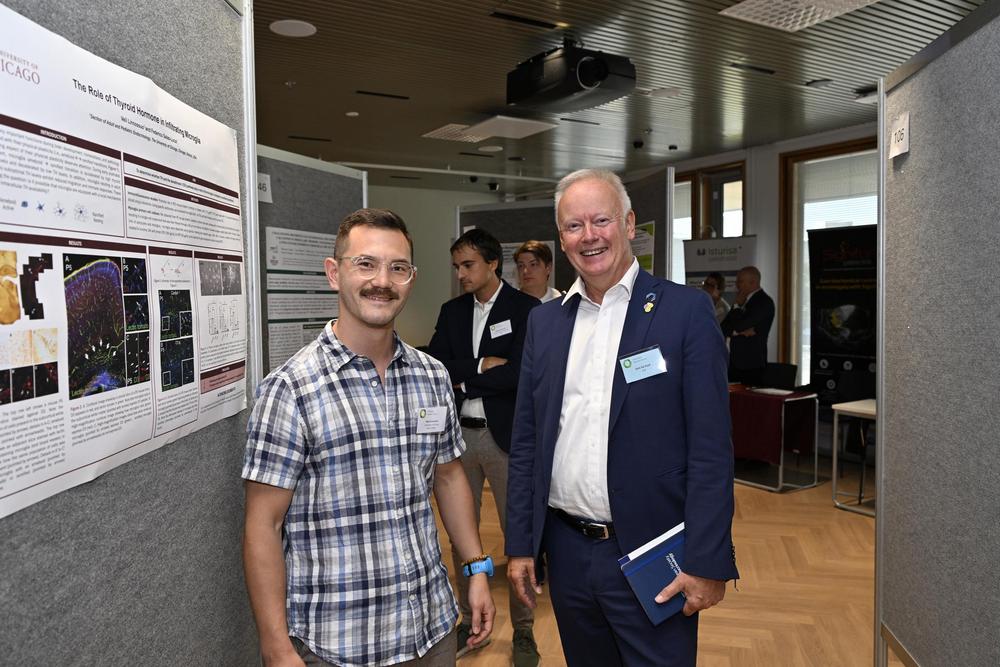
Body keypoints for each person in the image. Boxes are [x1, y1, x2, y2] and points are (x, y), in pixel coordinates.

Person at [505, 169, 738, 667]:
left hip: (654, 553)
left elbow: (711, 449)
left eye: (601, 220)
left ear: (629, 224)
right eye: (574, 226)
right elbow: (527, 442)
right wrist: (521, 545)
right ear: (561, 239)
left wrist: (707, 560)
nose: (589, 236)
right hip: (567, 552)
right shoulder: (544, 323)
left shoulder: (684, 312)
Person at [242, 208, 495, 667]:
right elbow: (264, 525)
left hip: (432, 628)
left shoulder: (431, 376)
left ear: (411, 279)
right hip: (340, 643)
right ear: (333, 273)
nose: (382, 281)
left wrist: (476, 568)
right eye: (366, 264)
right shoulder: (290, 389)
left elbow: (449, 476)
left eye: (398, 267)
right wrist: (276, 647)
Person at [427, 228, 541, 666]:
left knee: (519, 536)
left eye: (468, 265)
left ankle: (524, 630)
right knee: (462, 535)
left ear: (493, 263)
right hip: (458, 436)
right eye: (457, 266)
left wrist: (465, 379)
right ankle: (468, 617)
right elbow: (437, 365)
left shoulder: (525, 310)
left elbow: (519, 374)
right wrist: (480, 365)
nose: (460, 274)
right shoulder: (452, 311)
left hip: (506, 437)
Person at [720, 265, 775, 386]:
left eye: (740, 281)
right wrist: (737, 330)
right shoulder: (742, 300)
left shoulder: (763, 302)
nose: (737, 285)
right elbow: (723, 327)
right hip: (733, 362)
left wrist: (737, 308)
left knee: (749, 397)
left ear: (753, 282)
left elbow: (740, 326)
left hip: (751, 364)